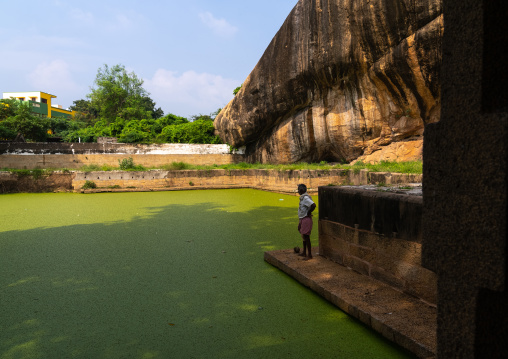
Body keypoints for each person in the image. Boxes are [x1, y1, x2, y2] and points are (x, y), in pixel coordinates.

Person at [297, 183, 316, 260]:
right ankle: (304, 252)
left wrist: (309, 212)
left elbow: (313, 205)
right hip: (302, 219)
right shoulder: (302, 198)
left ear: (301, 190)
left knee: (306, 236)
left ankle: (309, 255)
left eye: (298, 189)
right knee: (303, 236)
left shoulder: (305, 198)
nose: (298, 191)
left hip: (306, 219)